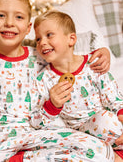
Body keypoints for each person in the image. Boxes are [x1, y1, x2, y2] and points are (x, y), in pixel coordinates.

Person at [0, 0, 115, 162]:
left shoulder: (41, 54)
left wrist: (102, 51)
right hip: (1, 139)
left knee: (95, 148)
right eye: (1, 15)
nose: (9, 23)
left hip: (41, 134)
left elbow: (70, 55)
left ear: (28, 27)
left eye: (19, 17)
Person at [30, 10, 123, 161]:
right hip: (74, 135)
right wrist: (52, 105)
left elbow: (114, 99)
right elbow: (36, 122)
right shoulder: (43, 79)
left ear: (71, 39)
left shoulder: (93, 65)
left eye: (49, 35)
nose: (42, 43)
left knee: (106, 120)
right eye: (38, 39)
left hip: (102, 126)